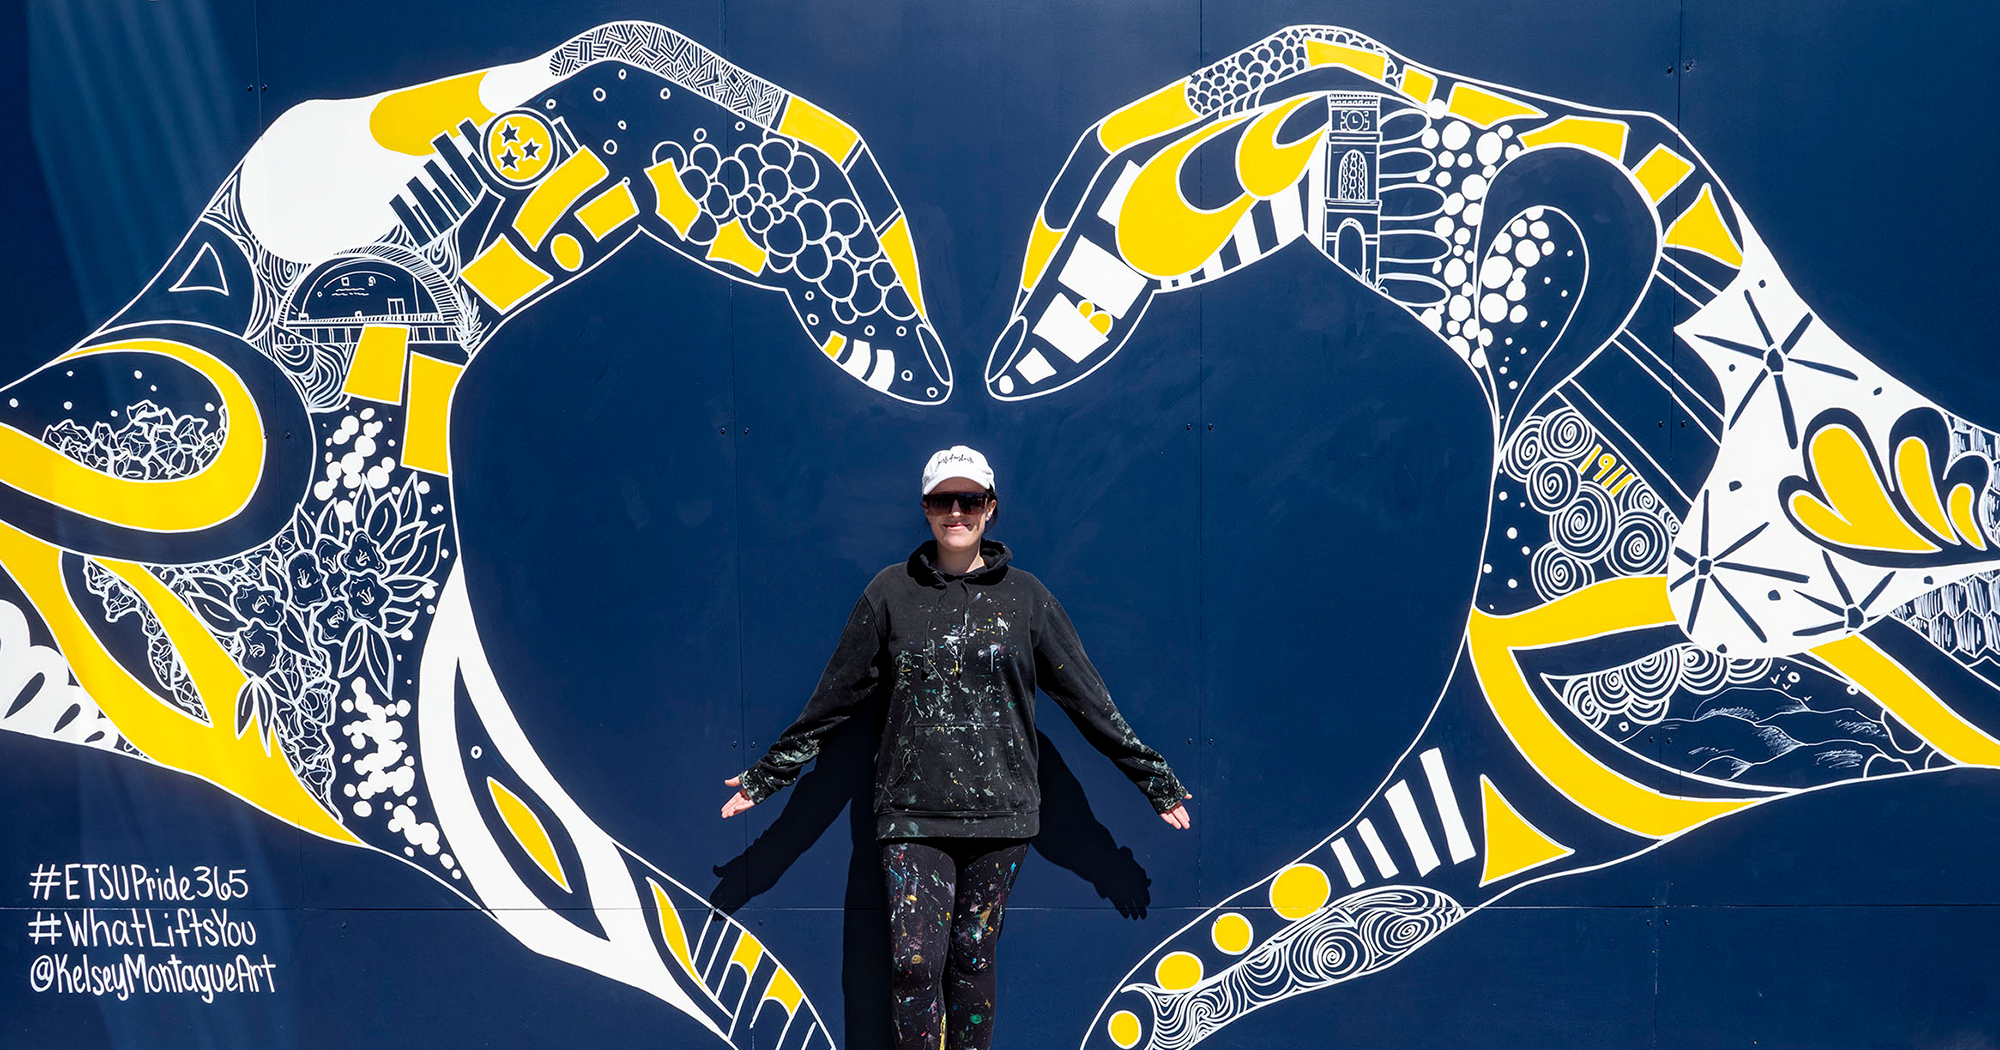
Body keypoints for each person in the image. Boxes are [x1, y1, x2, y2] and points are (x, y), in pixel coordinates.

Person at [720, 444, 1192, 1050]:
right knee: (913, 966)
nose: (957, 511)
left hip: (1003, 814)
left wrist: (1152, 778)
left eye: (970, 499)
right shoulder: (889, 593)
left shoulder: (1027, 598)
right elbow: (833, 701)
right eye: (944, 500)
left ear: (990, 509)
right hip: (912, 815)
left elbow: (1088, 700)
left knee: (971, 959)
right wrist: (768, 776)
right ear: (926, 508)